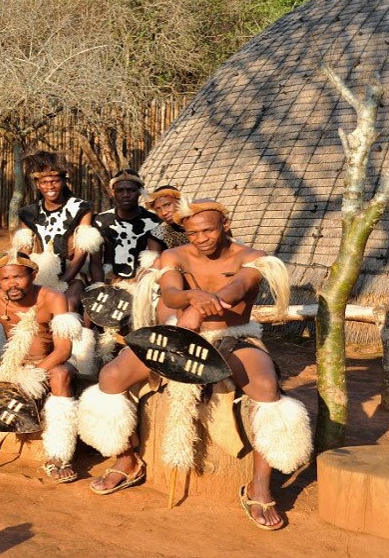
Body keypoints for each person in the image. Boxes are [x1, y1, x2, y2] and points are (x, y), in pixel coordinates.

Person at [78, 199, 309, 531]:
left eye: (208, 230)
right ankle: (127, 460)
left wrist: (202, 307)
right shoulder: (175, 256)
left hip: (232, 335)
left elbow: (237, 287)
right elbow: (170, 293)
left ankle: (259, 485)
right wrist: (190, 299)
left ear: (225, 224)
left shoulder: (253, 258)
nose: (201, 238)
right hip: (175, 337)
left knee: (267, 389)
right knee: (112, 374)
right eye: (193, 233)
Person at [0, 251, 84, 480]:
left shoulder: (53, 298)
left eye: (18, 277)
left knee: (61, 374)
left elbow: (63, 350)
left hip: (48, 364)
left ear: (32, 275)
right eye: (5, 279)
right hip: (11, 364)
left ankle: (58, 455)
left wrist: (33, 376)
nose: (12, 284)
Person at [17, 155, 102, 312]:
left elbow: (81, 252)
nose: (50, 187)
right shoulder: (29, 213)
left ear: (63, 182)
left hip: (71, 273)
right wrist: (24, 278)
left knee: (67, 305)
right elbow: (24, 251)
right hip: (39, 272)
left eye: (54, 181)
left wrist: (63, 281)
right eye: (44, 182)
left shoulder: (80, 208)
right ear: (37, 184)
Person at [89, 168, 164, 287]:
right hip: (109, 280)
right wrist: (100, 286)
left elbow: (155, 260)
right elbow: (95, 263)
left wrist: (138, 282)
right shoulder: (101, 221)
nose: (125, 195)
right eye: (120, 191)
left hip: (143, 281)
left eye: (131, 190)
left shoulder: (154, 221)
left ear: (140, 191)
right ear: (113, 192)